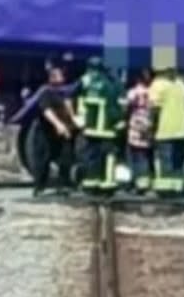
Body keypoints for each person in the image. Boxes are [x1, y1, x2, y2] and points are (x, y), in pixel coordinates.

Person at [75, 57, 124, 194]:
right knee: (108, 156)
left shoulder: (86, 82)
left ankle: (91, 183)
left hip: (90, 129)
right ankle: (107, 185)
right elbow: (119, 107)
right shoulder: (113, 84)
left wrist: (80, 122)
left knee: (91, 156)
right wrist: (119, 123)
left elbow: (78, 100)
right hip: (108, 129)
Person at [33, 65, 75, 196]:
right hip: (46, 132)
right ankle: (40, 187)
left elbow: (69, 111)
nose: (62, 78)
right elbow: (46, 111)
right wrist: (57, 124)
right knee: (43, 159)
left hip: (63, 132)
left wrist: (72, 122)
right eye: (59, 75)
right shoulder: (46, 92)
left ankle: (63, 185)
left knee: (65, 157)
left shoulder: (65, 93)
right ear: (52, 78)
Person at [148, 67, 184, 195]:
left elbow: (154, 109)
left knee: (165, 162)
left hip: (164, 130)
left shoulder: (157, 84)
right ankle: (178, 191)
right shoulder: (181, 85)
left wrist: (151, 127)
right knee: (177, 164)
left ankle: (165, 193)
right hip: (180, 130)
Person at [125, 69, 154, 192]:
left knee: (134, 155)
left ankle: (135, 181)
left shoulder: (133, 92)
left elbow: (126, 105)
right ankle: (144, 182)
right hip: (147, 126)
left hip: (135, 127)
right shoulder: (152, 92)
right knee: (144, 155)